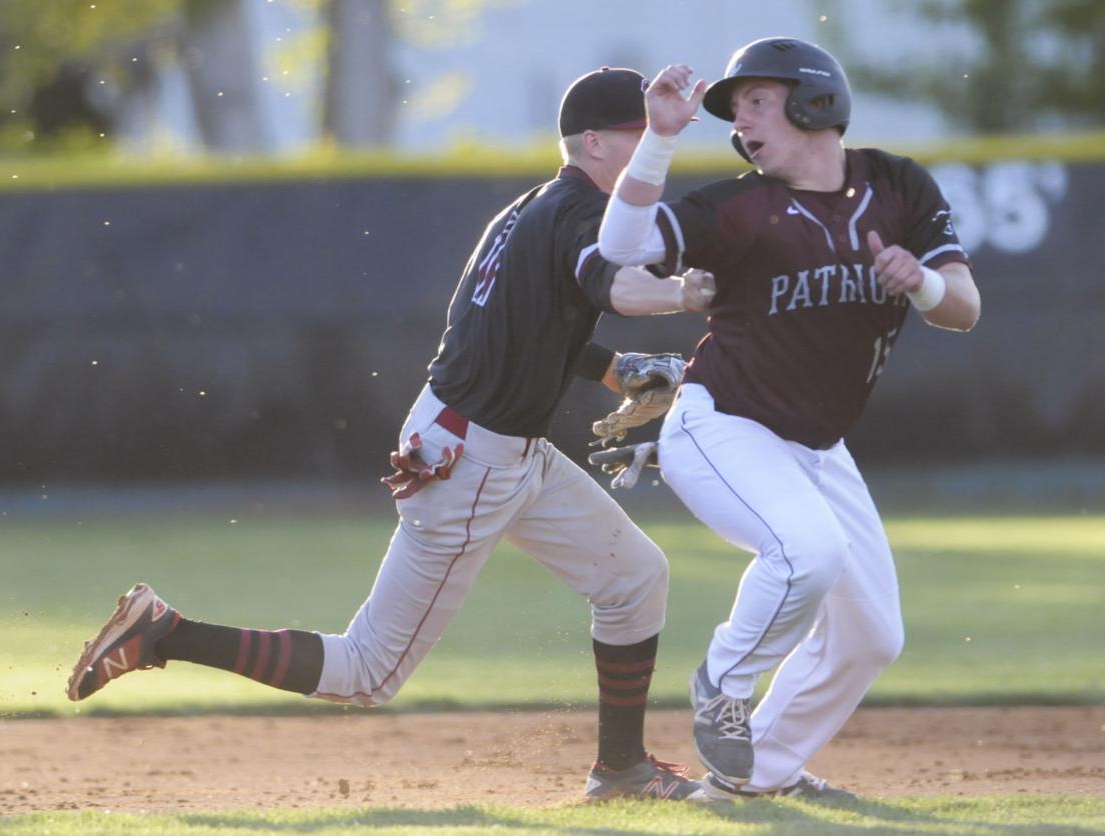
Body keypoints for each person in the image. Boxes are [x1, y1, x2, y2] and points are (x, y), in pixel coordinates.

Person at [66, 67, 716, 803]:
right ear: (594, 141)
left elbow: (522, 331)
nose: (648, 148)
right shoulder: (574, 215)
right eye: (637, 132)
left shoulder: (530, 211)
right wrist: (686, 294)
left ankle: (622, 770)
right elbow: (619, 288)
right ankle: (165, 631)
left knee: (635, 578)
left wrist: (617, 371)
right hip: (473, 459)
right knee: (367, 672)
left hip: (496, 446)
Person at [597, 38, 981, 801]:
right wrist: (664, 138)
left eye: (757, 102)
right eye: (735, 112)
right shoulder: (738, 206)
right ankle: (723, 686)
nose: (741, 123)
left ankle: (757, 774)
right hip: (721, 425)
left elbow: (964, 309)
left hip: (816, 445)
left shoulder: (897, 185)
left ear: (816, 102)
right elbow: (620, 245)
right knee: (807, 552)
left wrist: (923, 287)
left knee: (872, 635)